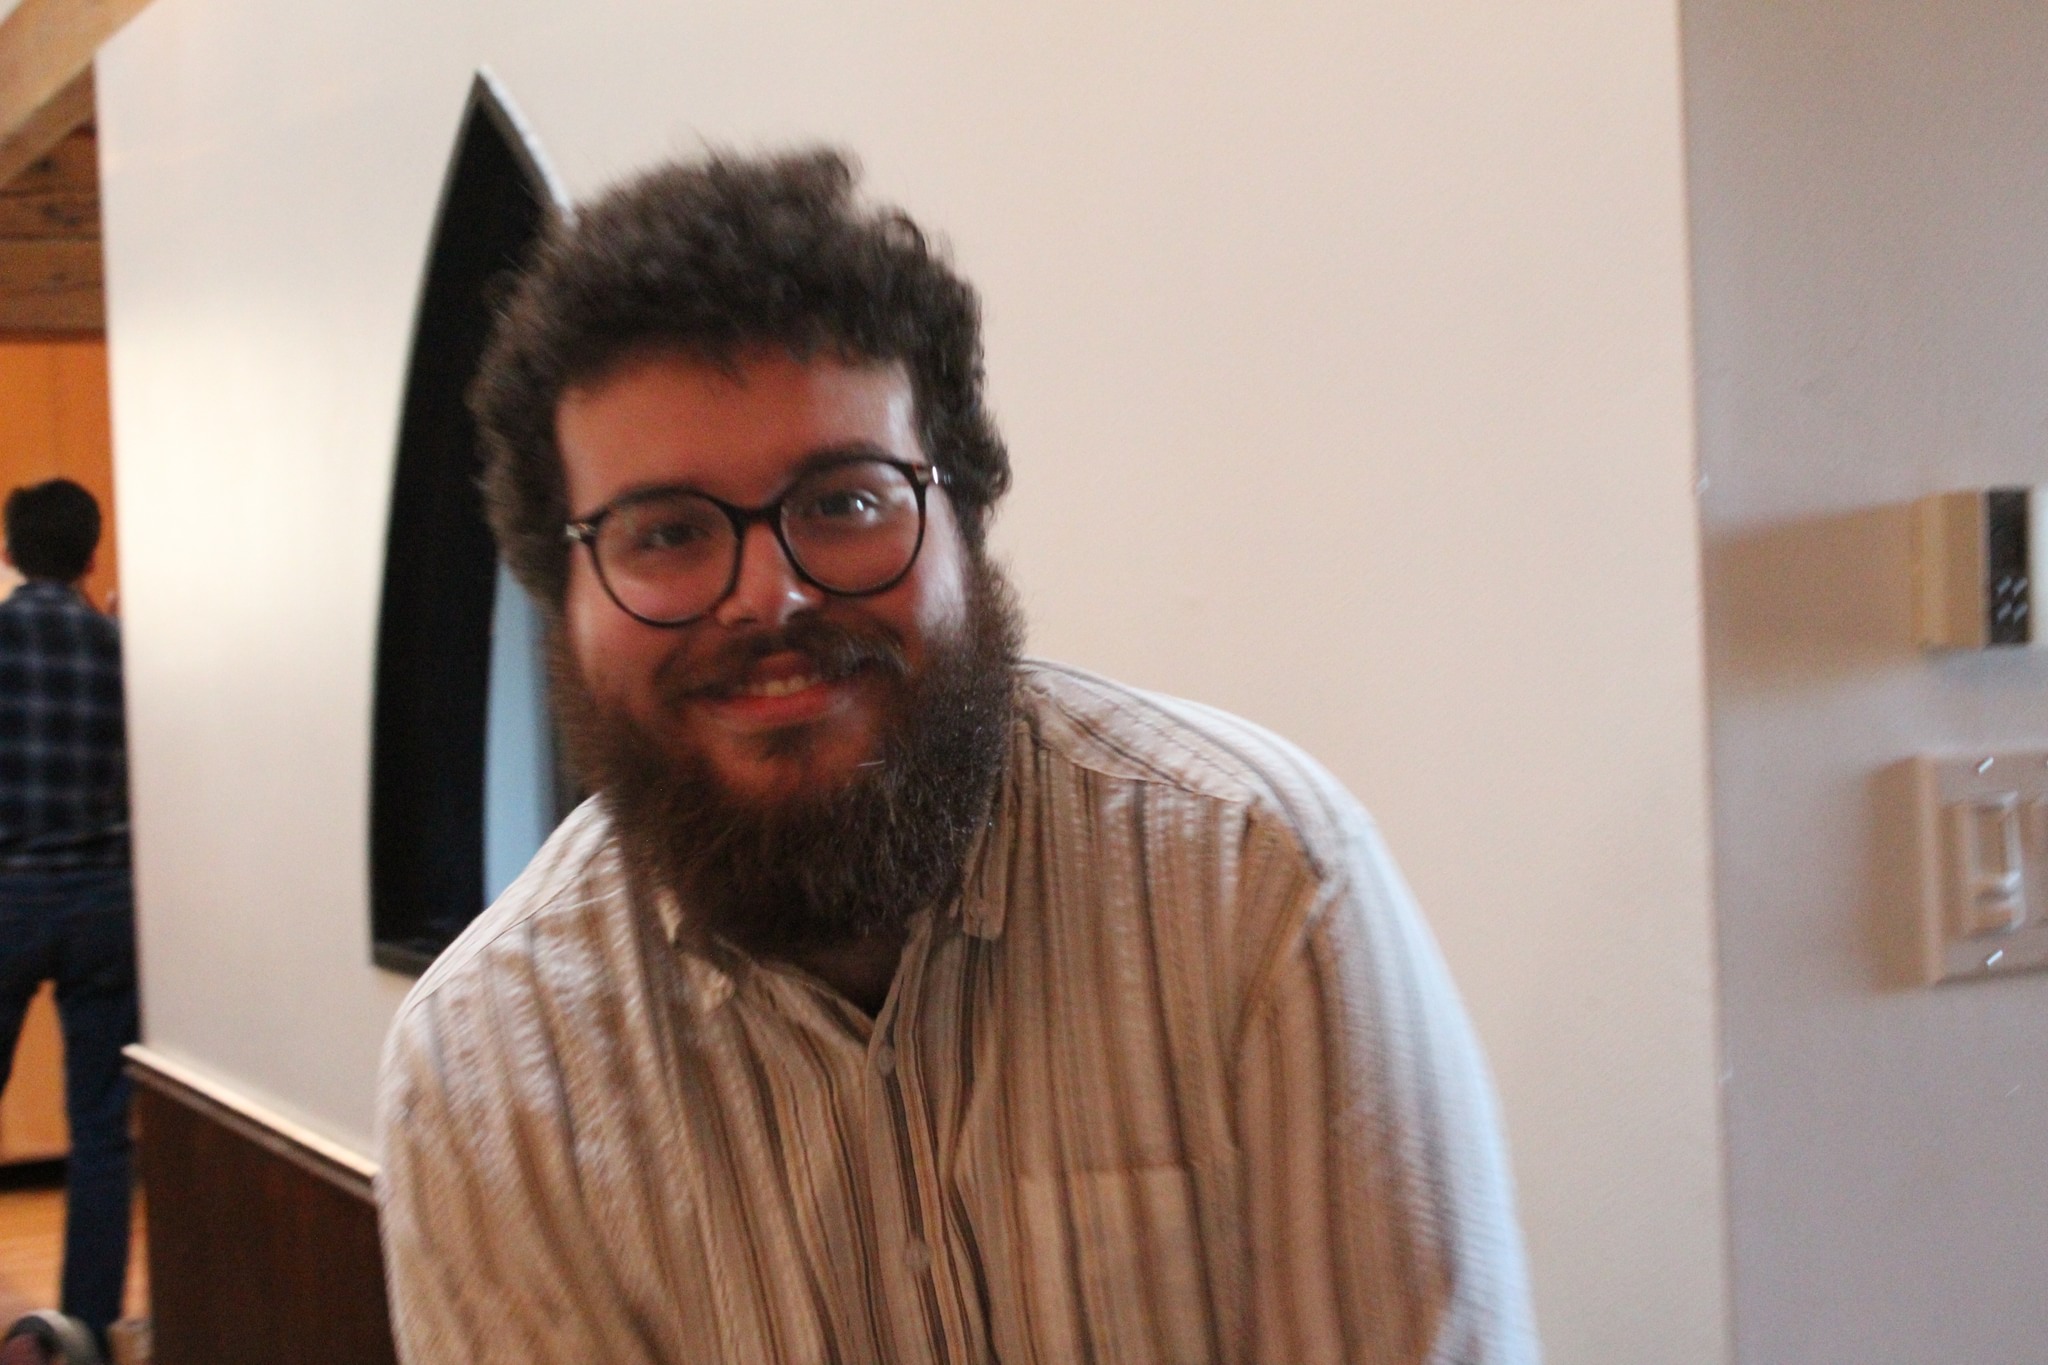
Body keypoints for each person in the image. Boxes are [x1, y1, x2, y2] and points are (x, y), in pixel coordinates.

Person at [375, 150, 1539, 1364]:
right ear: (558, 593)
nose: (768, 597)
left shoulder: (1258, 891)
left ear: (964, 520)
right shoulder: (489, 1070)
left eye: (843, 499)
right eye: (664, 533)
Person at [0, 479, 135, 1355]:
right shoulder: (122, 651)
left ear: (10, 551)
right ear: (91, 554)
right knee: (100, 1129)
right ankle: (82, 1330)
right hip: (105, 902)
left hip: (7, 893)